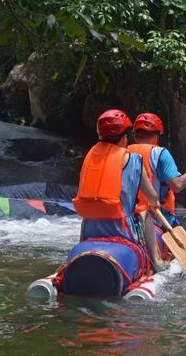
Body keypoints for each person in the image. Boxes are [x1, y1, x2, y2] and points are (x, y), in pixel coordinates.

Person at [72, 109, 167, 270]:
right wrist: (155, 202)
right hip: (121, 229)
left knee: (88, 215)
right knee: (145, 213)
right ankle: (157, 263)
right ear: (124, 137)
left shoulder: (90, 157)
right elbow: (152, 196)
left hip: (89, 228)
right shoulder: (134, 161)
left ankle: (81, 247)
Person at [127, 112, 186, 250]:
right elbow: (177, 185)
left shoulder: (124, 153)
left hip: (129, 218)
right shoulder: (160, 153)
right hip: (158, 218)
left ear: (135, 135)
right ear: (156, 136)